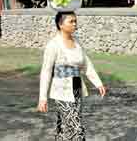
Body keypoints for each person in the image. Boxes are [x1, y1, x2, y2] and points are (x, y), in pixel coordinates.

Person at [37, 11, 106, 140]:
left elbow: (87, 64)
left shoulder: (77, 42)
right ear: (60, 24)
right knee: (76, 126)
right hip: (61, 90)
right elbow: (46, 71)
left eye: (75, 21)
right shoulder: (53, 45)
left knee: (65, 125)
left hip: (76, 87)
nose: (75, 24)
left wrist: (98, 83)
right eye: (71, 21)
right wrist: (43, 98)